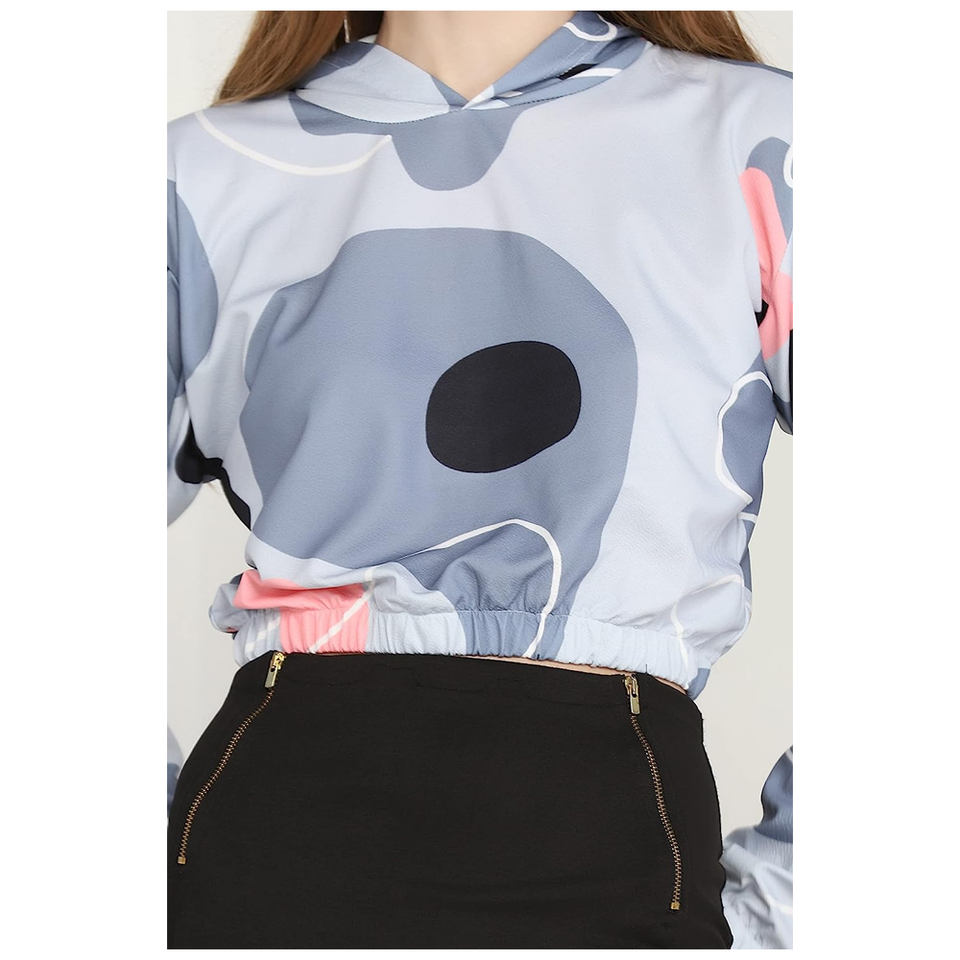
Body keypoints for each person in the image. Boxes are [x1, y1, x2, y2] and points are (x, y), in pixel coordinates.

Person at [167, 9, 792, 948]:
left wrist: (791, 908)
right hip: (265, 851)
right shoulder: (200, 174)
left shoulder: (761, 140)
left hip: (615, 850)